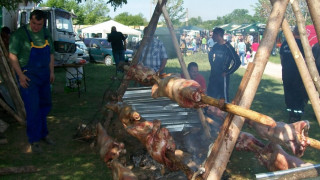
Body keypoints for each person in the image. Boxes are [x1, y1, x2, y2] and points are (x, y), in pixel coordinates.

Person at [9, 10, 55, 153]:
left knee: (45, 105)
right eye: (34, 23)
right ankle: (34, 139)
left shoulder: (46, 33)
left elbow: (51, 53)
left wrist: (52, 71)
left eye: (39, 24)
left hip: (44, 75)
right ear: (30, 20)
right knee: (33, 108)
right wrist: (20, 76)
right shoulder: (20, 35)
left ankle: (43, 134)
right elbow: (12, 56)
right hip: (28, 76)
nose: (36, 27)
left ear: (43, 23)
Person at [207, 27, 241, 117]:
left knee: (223, 98)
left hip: (223, 77)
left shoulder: (228, 47)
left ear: (218, 35)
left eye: (213, 35)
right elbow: (210, 55)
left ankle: (225, 117)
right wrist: (212, 65)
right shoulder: (215, 46)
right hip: (214, 75)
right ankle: (209, 116)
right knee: (210, 95)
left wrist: (228, 72)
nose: (212, 37)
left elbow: (237, 62)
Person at [280, 26, 308, 123]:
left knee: (289, 95)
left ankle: (291, 114)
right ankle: (296, 117)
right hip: (299, 75)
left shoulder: (285, 44)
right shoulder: (303, 45)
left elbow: (282, 59)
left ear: (293, 33)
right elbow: (307, 60)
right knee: (298, 96)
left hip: (286, 74)